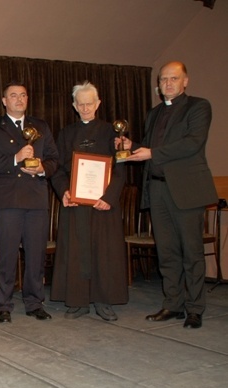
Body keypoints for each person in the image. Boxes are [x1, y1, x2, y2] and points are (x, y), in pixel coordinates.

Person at [119, 61, 216, 329]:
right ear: (158, 86)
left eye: (174, 78)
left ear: (186, 81)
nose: (168, 83)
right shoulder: (154, 113)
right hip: (158, 189)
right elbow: (151, 149)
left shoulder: (199, 107)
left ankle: (195, 308)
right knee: (168, 252)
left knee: (191, 252)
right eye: (163, 80)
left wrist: (151, 152)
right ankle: (173, 303)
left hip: (186, 190)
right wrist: (133, 146)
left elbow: (192, 143)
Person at [0, 81, 58, 323]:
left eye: (23, 95)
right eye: (13, 96)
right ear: (4, 101)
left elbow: (55, 159)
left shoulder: (40, 126)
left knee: (36, 254)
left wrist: (43, 168)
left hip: (36, 199)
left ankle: (35, 302)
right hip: (7, 200)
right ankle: (4, 304)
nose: (19, 99)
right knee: (7, 254)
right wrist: (15, 157)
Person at [50, 81, 128, 321]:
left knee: (104, 252)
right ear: (74, 106)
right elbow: (58, 169)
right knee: (75, 252)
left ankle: (104, 301)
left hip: (103, 205)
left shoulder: (112, 133)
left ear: (98, 104)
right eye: (80, 104)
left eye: (89, 103)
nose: (85, 108)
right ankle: (77, 301)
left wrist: (109, 197)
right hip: (76, 204)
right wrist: (64, 191)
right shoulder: (66, 134)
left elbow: (121, 168)